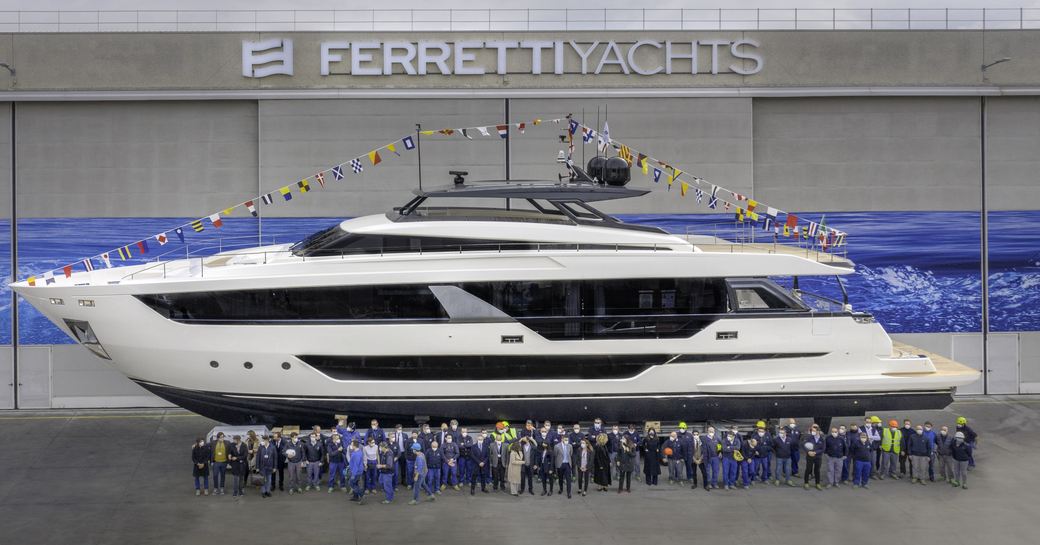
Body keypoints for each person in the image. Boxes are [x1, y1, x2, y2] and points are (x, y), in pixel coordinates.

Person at [802, 424, 824, 490]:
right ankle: (806, 483)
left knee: (817, 470)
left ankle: (817, 483)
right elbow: (804, 445)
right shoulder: (809, 437)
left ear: (818, 431)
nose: (812, 432)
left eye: (814, 431)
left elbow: (823, 448)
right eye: (812, 431)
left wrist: (815, 452)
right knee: (808, 469)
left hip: (818, 457)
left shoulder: (822, 439)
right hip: (809, 456)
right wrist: (808, 452)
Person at [469, 430, 490, 495]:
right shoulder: (473, 446)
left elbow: (487, 456)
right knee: (474, 477)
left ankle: (483, 488)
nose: (480, 440)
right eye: (479, 439)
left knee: (483, 477)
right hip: (476, 464)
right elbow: (472, 455)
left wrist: (483, 462)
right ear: (477, 439)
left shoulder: (486, 446)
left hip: (484, 465)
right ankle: (472, 489)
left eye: (481, 439)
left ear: (483, 439)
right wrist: (479, 462)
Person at [553, 434, 574, 498]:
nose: (566, 441)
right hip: (560, 464)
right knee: (561, 478)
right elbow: (555, 455)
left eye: (567, 440)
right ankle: (561, 489)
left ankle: (569, 493)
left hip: (567, 464)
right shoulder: (557, 446)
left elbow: (571, 454)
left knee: (568, 479)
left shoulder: (570, 446)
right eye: (565, 440)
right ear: (562, 439)